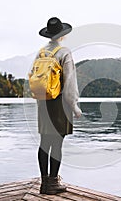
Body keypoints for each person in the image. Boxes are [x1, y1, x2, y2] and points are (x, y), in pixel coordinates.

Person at [36, 17, 82, 195]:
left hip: (43, 102)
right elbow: (70, 83)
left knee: (44, 143)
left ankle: (44, 182)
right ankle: (53, 183)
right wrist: (74, 106)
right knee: (57, 144)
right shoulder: (64, 53)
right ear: (62, 35)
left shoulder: (41, 52)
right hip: (59, 103)